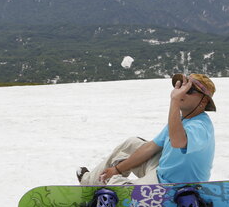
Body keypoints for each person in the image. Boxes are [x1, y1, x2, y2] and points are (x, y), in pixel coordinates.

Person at [77, 73, 216, 186]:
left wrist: (174, 100)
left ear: (203, 101)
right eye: (180, 86)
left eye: (189, 90)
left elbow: (178, 141)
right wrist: (116, 169)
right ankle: (90, 182)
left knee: (117, 186)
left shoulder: (201, 126)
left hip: (172, 185)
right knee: (131, 144)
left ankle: (109, 187)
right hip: (160, 171)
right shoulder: (180, 120)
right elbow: (151, 147)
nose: (180, 92)